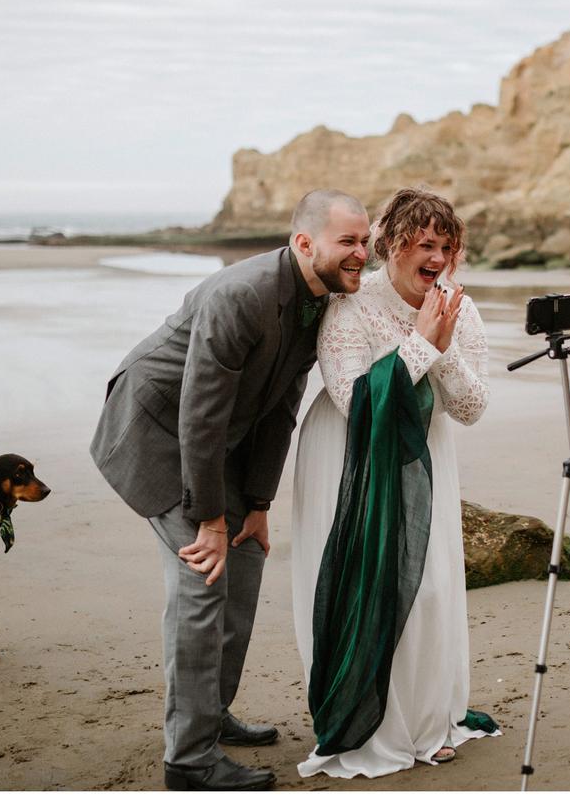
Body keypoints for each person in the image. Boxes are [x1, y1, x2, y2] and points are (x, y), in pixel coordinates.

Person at [90, 190, 371, 791]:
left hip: (225, 441)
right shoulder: (238, 294)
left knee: (243, 568)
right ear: (304, 243)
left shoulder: (319, 299)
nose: (361, 253)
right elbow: (200, 412)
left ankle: (211, 716)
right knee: (203, 582)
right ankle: (189, 760)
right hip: (158, 431)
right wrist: (211, 518)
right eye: (348, 241)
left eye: (364, 241)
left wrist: (259, 506)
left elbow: (281, 409)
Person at [290, 187, 499, 779]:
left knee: (429, 587)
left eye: (446, 246)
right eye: (423, 244)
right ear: (391, 246)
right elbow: (352, 400)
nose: (436, 256)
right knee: (360, 581)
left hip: (423, 453)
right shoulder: (352, 303)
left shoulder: (462, 307)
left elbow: (471, 407)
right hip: (348, 456)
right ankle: (364, 719)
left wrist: (442, 344)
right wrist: (418, 343)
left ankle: (429, 722)